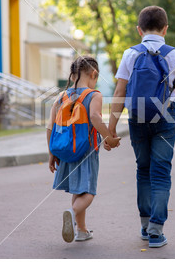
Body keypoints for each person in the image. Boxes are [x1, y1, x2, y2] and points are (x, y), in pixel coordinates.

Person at [107, 6, 175, 248]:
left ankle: (145, 224)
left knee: (143, 170)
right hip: (165, 118)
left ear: (139, 30)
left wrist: (111, 129)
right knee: (161, 173)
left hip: (137, 116)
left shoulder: (130, 54)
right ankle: (156, 232)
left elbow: (119, 93)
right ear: (165, 29)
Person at [47, 56, 120, 243]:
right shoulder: (93, 95)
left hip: (65, 151)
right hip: (86, 151)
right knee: (88, 191)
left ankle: (81, 230)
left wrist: (51, 154)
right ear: (94, 74)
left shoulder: (61, 97)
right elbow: (95, 117)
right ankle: (71, 213)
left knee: (77, 190)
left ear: (72, 76)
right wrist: (109, 138)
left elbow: (50, 128)